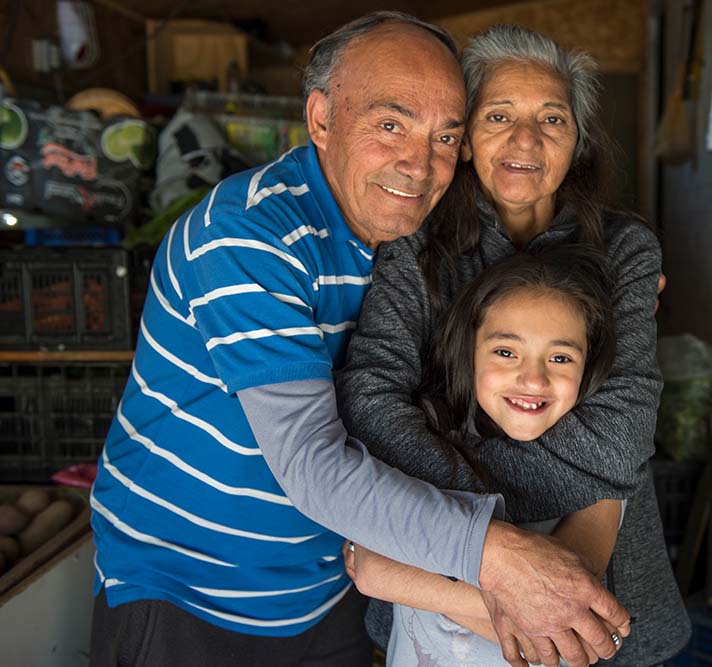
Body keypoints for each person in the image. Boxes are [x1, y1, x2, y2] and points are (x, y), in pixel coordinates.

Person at [88, 12, 630, 667]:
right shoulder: (248, 237)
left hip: (327, 587)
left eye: (444, 136)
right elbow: (314, 465)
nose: (418, 162)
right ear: (321, 120)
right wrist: (497, 554)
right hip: (191, 592)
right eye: (390, 124)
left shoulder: (413, 241)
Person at [338, 24, 690, 667]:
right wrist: (501, 543)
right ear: (465, 137)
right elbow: (369, 394)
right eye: (498, 115)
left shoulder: (625, 250)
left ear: (577, 142)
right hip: (436, 620)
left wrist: (450, 505)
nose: (525, 140)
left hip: (584, 581)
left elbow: (622, 433)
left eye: (551, 118)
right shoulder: (415, 244)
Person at [346, 245, 626, 667]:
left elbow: (568, 621)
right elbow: (368, 567)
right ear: (469, 351)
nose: (533, 378)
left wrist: (411, 578)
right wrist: (519, 597)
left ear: (589, 368)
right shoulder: (424, 446)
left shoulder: (599, 472)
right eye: (506, 352)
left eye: (561, 357)